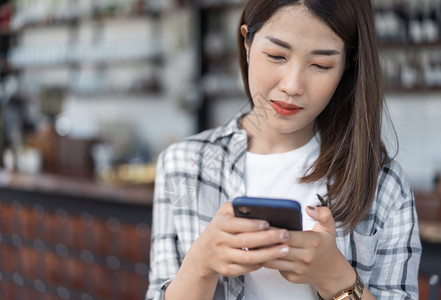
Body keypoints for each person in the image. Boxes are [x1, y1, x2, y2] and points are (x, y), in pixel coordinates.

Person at [146, 0, 421, 299]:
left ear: (347, 65)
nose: (292, 85)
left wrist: (336, 278)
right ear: (247, 43)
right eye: (276, 55)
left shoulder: (382, 182)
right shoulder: (182, 165)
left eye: (321, 65)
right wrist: (200, 264)